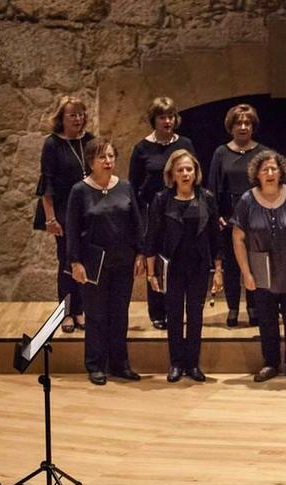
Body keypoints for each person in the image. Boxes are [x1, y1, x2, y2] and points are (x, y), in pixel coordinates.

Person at [65, 137, 144, 386]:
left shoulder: (125, 186)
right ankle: (96, 365)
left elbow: (136, 223)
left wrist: (140, 253)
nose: (108, 161)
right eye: (102, 157)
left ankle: (119, 364)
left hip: (123, 259)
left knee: (120, 314)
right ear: (91, 161)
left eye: (111, 156)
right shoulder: (79, 190)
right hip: (93, 263)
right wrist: (75, 262)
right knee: (97, 315)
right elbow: (72, 229)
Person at [232, 151, 286, 383]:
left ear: (281, 172)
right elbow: (237, 238)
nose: (269, 173)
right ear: (256, 174)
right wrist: (246, 272)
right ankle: (270, 363)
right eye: (264, 169)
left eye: (274, 169)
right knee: (266, 319)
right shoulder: (247, 200)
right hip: (261, 272)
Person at [145, 149, 223, 383]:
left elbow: (214, 238)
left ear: (196, 171)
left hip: (198, 265)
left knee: (196, 315)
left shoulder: (206, 197)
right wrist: (151, 273)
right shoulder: (161, 199)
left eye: (189, 169)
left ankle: (193, 364)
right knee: (174, 315)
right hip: (173, 267)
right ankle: (176, 363)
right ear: (172, 174)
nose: (186, 173)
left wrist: (218, 270)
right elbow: (152, 238)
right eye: (181, 170)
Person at [129, 96, 196, 331]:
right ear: (154, 120)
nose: (167, 121)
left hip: (179, 209)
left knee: (178, 259)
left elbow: (193, 176)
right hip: (152, 210)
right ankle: (157, 311)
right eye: (162, 117)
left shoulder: (185, 143)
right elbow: (133, 185)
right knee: (155, 260)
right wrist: (137, 218)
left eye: (170, 116)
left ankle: (175, 308)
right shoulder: (142, 148)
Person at [33, 96, 95, 333]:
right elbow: (46, 185)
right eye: (72, 115)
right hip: (62, 211)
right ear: (61, 118)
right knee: (67, 263)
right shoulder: (52, 144)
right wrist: (50, 218)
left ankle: (80, 311)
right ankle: (67, 312)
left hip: (87, 211)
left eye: (81, 114)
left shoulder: (89, 141)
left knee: (85, 263)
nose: (78, 119)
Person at [208, 103, 269, 327]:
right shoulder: (220, 153)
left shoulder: (263, 153)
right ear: (230, 126)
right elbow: (212, 188)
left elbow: (269, 185)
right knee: (232, 265)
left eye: (247, 123)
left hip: (257, 217)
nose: (243, 127)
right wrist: (217, 215)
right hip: (229, 218)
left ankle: (253, 308)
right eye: (238, 123)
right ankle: (233, 308)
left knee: (254, 264)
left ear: (253, 126)